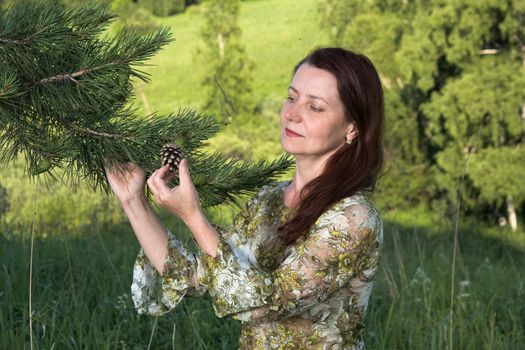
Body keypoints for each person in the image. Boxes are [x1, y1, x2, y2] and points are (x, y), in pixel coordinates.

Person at [105, 47, 384, 350]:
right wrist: (134, 201)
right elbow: (198, 275)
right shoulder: (269, 200)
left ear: (352, 129)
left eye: (315, 107)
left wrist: (193, 217)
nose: (292, 113)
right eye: (291, 97)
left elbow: (268, 304)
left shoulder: (354, 218)